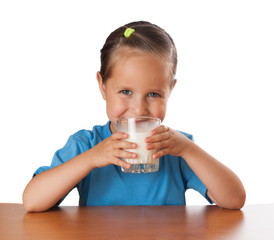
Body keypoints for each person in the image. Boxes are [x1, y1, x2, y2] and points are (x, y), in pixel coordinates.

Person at [23, 21, 246, 212]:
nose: (139, 110)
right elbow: (32, 201)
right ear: (102, 86)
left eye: (153, 94)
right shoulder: (86, 145)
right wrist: (90, 158)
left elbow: (235, 200)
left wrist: (189, 149)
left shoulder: (177, 148)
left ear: (170, 91)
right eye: (126, 92)